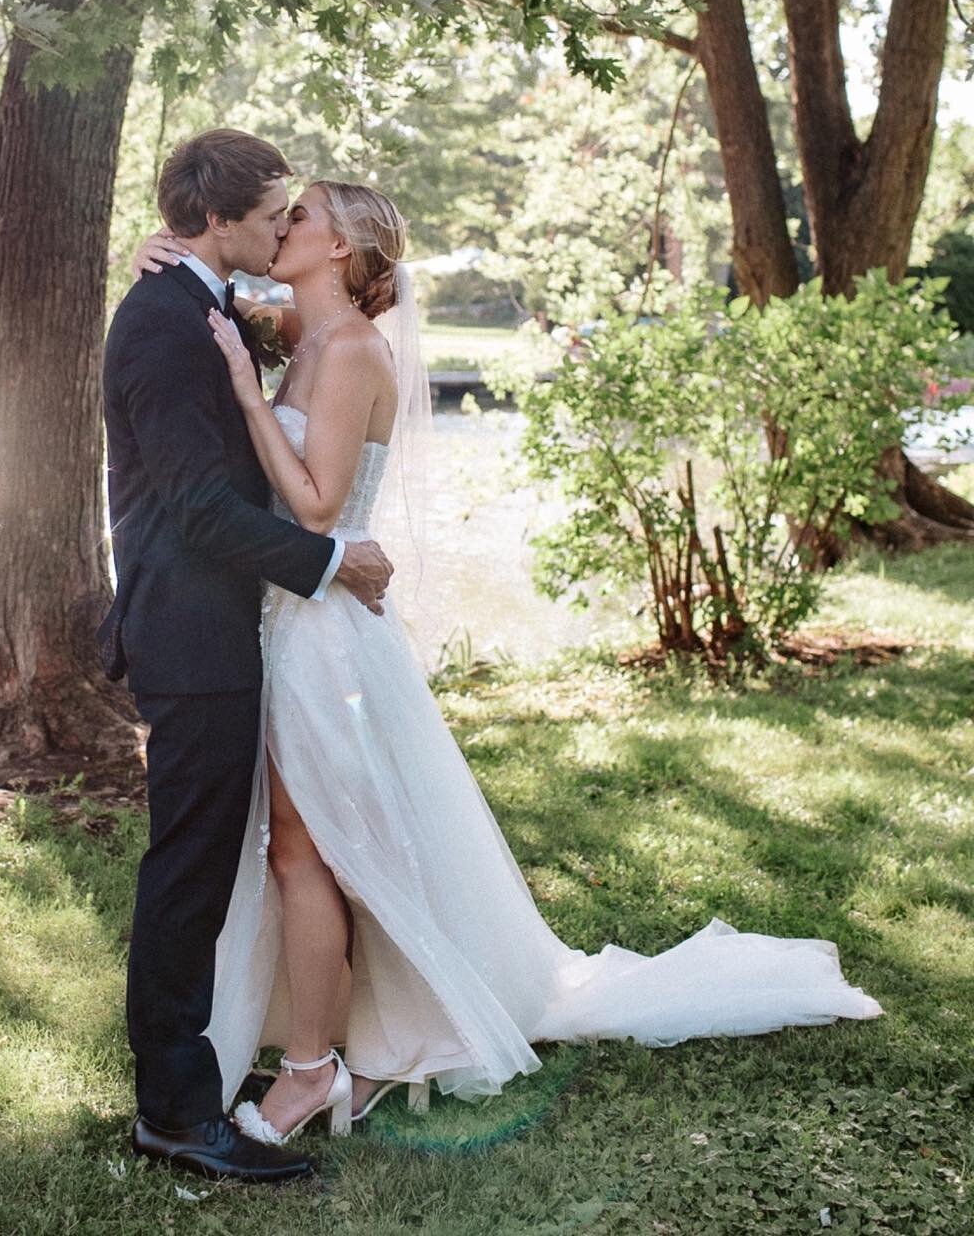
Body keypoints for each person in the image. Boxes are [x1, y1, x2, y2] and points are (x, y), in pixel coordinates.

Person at [132, 177, 883, 1147]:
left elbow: (317, 511)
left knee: (304, 850)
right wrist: (173, 255)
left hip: (323, 634)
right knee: (307, 851)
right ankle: (334, 1051)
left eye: (302, 216)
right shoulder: (306, 333)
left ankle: (314, 1070)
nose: (284, 226)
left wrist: (240, 387)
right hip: (291, 622)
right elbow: (229, 290)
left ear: (345, 247)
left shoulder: (352, 349)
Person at [99, 129, 395, 1184]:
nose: (282, 226)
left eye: (294, 215)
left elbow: (288, 335)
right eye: (271, 212)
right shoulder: (166, 326)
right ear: (220, 219)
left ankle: (204, 1081)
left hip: (223, 629)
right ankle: (177, 1115)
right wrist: (327, 561)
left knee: (210, 865)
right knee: (187, 873)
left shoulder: (201, 302)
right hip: (193, 633)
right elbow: (198, 507)